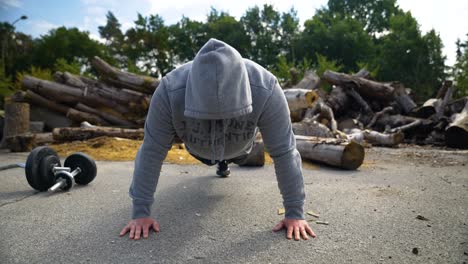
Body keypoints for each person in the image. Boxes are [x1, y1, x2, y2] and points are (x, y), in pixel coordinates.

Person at [120, 38, 316, 241]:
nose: (220, 122)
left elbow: (285, 151)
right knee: (209, 158)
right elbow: (152, 151)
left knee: (244, 156)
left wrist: (294, 213)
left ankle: (225, 163)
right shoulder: (169, 91)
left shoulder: (265, 88)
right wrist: (140, 213)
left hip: (241, 149)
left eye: (226, 116)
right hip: (198, 149)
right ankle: (219, 162)